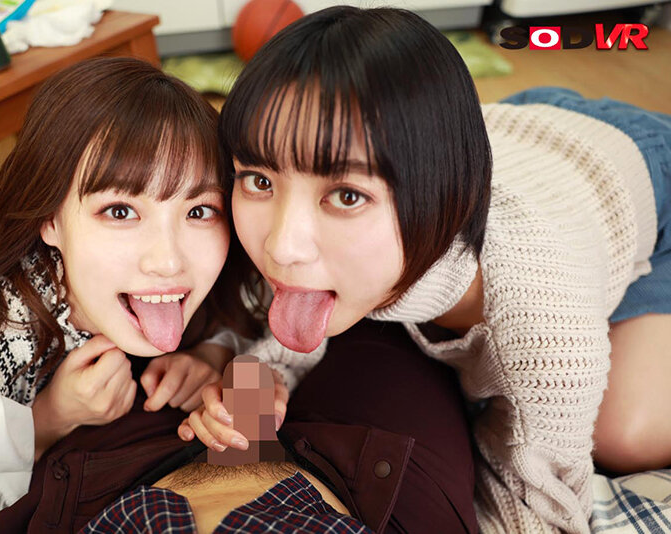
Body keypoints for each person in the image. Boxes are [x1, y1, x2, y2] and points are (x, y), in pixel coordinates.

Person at [179, 5, 671, 534]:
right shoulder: (293, 230)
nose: (282, 247)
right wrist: (250, 391)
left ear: (442, 198)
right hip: (521, 125)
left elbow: (540, 506)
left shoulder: (545, 326)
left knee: (623, 435)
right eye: (259, 180)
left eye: (346, 195)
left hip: (641, 171)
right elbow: (272, 334)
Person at [0, 57, 257, 533]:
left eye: (198, 210)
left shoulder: (202, 265)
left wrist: (211, 353)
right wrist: (48, 421)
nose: (169, 261)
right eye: (120, 211)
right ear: (48, 219)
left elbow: (256, 304)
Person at [0, 318, 476, 534]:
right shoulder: (420, 492)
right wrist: (238, 371)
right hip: (375, 476)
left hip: (129, 462)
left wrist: (50, 418)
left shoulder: (66, 482)